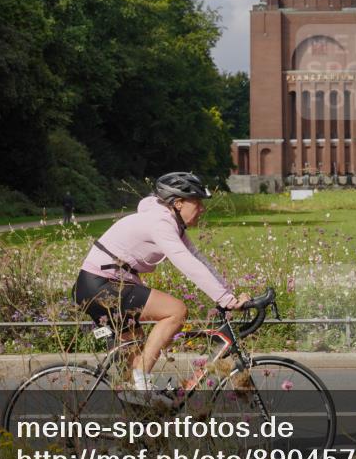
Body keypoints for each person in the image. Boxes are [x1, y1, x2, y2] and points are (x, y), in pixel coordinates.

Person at [72, 172, 250, 403]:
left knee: (135, 380)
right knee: (176, 311)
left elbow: (197, 258)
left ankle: (139, 427)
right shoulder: (160, 223)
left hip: (102, 285)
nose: (202, 209)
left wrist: (228, 296)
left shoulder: (170, 222)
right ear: (178, 203)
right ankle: (140, 379)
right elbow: (186, 263)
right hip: (101, 285)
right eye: (197, 202)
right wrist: (226, 299)